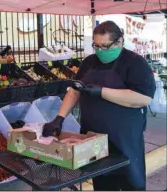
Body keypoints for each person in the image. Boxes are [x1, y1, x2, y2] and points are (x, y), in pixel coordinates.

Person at [43, 21, 156, 191]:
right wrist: (59, 118)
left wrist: (102, 92)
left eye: (105, 46)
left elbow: (143, 98)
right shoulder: (89, 62)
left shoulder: (135, 63)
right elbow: (75, 90)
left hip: (124, 138)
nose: (100, 51)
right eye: (96, 46)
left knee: (130, 181)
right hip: (93, 137)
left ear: (119, 42)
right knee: (101, 182)